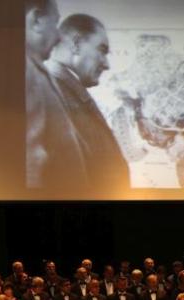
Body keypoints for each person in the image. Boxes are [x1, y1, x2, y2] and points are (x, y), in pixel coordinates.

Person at [46, 11, 131, 191]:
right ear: (76, 44)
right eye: (102, 50)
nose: (106, 64)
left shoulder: (63, 90)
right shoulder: (52, 94)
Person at [25, 0, 87, 190]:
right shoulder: (27, 70)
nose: (60, 37)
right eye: (55, 23)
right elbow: (30, 165)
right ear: (37, 19)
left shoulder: (32, 68)